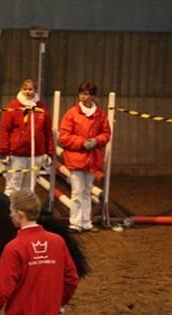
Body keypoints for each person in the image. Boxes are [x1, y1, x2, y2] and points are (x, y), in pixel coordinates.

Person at [58, 81, 111, 233]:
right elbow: (64, 136)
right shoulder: (71, 113)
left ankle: (86, 222)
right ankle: (75, 223)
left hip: (92, 158)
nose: (82, 96)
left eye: (86, 93)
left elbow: (106, 133)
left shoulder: (101, 114)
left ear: (92, 96)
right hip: (76, 158)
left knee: (87, 191)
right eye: (81, 93)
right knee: (77, 192)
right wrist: (82, 142)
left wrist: (97, 141)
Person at [0, 79, 56, 197]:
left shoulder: (41, 108)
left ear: (35, 91)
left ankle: (25, 214)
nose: (28, 92)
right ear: (21, 90)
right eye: (25, 89)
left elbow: (47, 131)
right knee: (13, 187)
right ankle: (9, 213)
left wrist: (50, 152)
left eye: (30, 89)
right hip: (16, 155)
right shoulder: (13, 106)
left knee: (29, 188)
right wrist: (4, 151)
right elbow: (4, 129)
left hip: (36, 156)